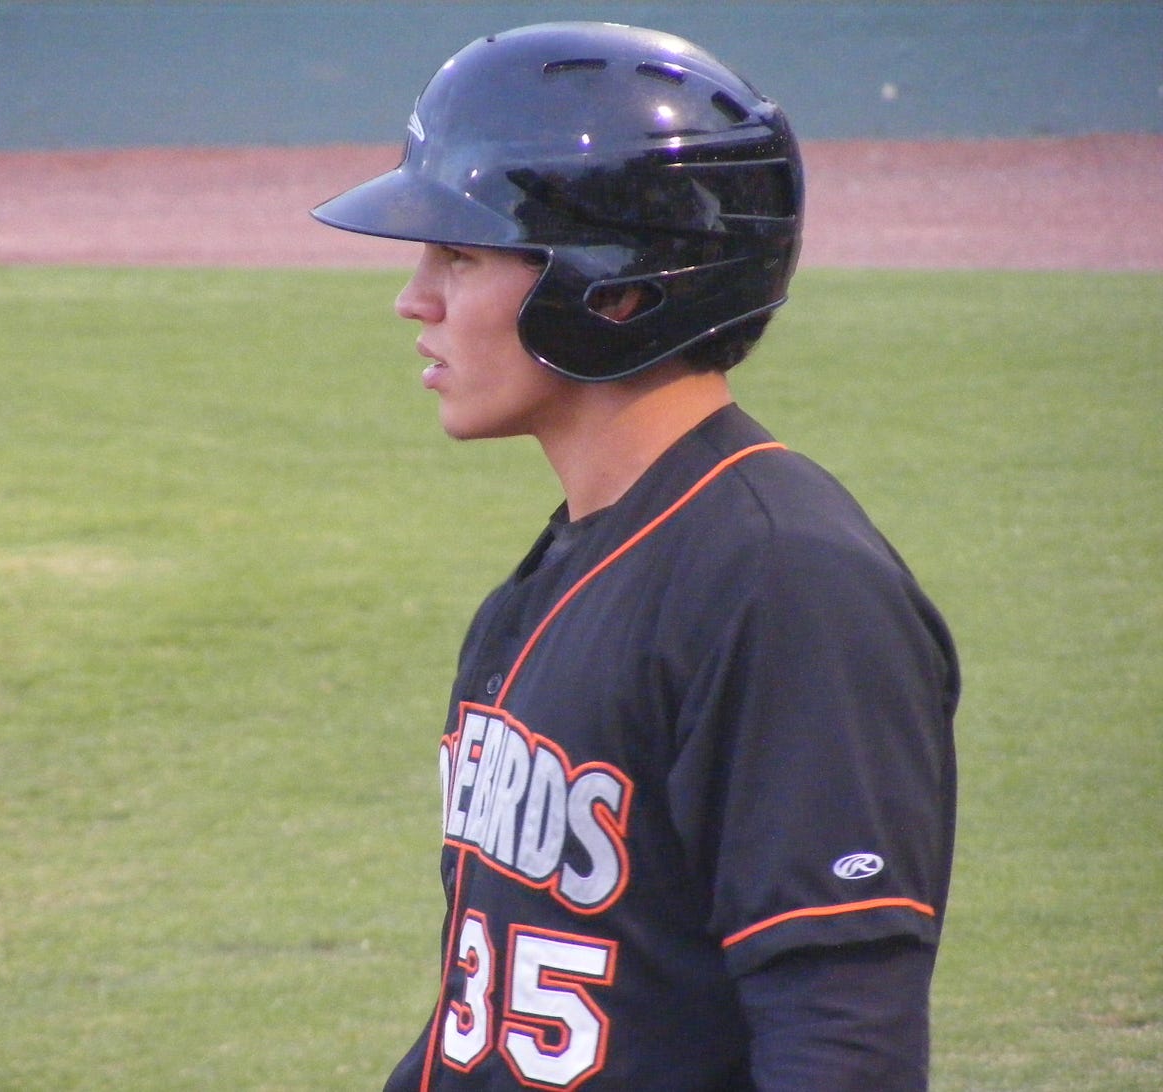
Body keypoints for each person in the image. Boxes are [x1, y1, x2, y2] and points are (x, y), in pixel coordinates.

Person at [312, 21, 958, 1092]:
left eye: (461, 256)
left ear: (612, 288)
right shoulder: (563, 569)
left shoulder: (784, 582)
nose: (413, 298)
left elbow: (842, 1035)